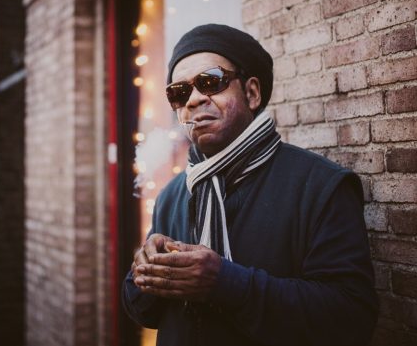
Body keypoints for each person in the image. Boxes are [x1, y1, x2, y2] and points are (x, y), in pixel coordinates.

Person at [122, 24, 378, 346]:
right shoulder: (172, 195)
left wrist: (224, 282)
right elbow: (142, 312)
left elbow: (352, 320)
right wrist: (144, 274)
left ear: (252, 93)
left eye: (210, 81)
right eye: (179, 92)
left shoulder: (321, 186)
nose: (194, 99)